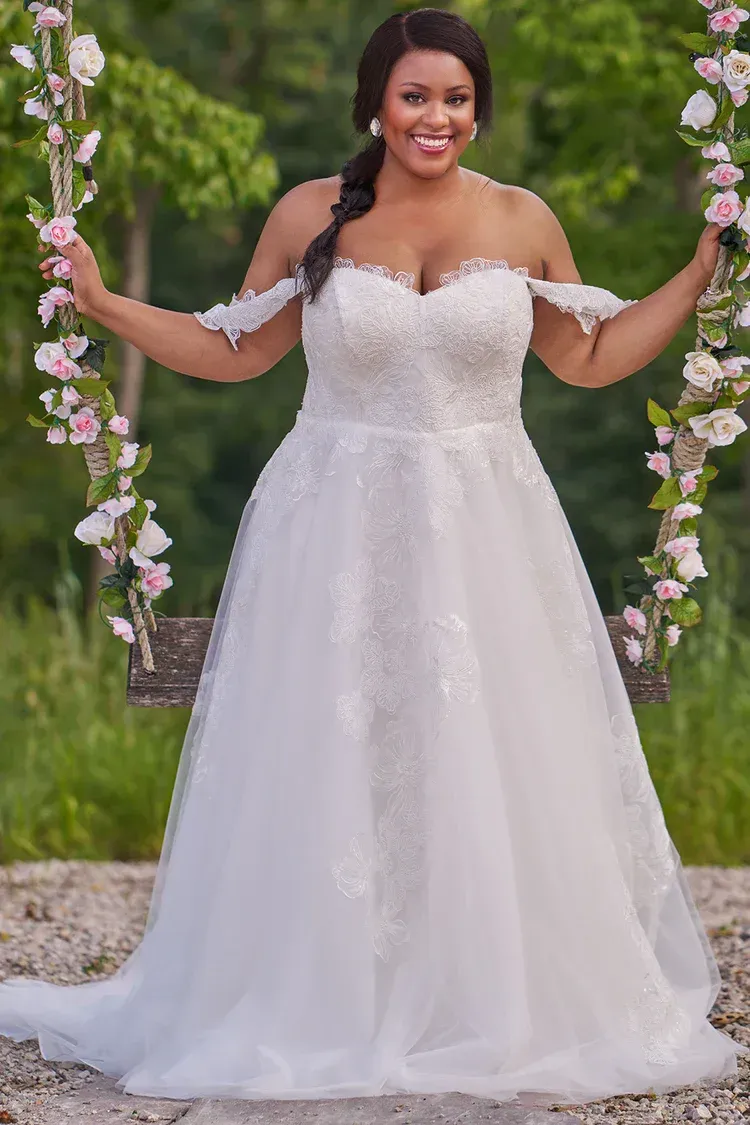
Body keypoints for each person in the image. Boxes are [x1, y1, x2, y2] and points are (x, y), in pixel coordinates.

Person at [0, 6, 743, 1109]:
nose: (434, 116)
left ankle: (482, 994)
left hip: (491, 520)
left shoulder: (523, 217)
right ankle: (319, 990)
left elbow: (586, 359)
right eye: (413, 96)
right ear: (376, 105)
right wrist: (103, 303)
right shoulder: (314, 214)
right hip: (334, 522)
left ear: (477, 107)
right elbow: (236, 347)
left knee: (487, 753)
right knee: (336, 750)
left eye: (453, 96)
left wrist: (692, 282)